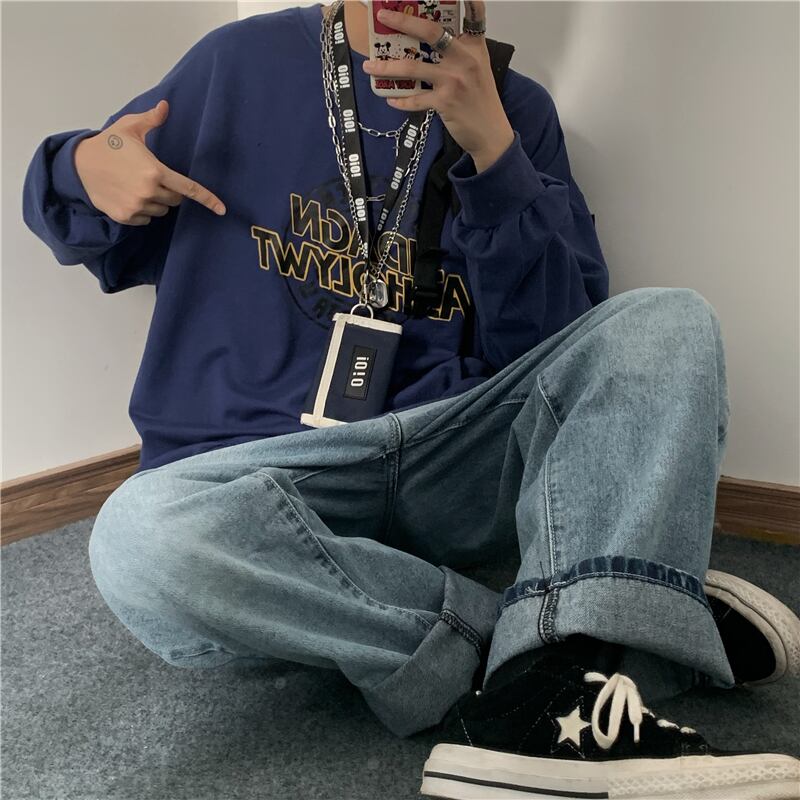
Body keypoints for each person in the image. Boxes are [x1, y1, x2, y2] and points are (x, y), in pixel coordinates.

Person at [22, 1, 800, 797]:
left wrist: (494, 153)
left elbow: (558, 350)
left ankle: (582, 623)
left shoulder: (514, 106)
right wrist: (80, 167)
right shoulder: (235, 64)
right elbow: (83, 220)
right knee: (142, 539)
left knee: (667, 321)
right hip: (256, 483)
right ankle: (590, 638)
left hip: (447, 457)